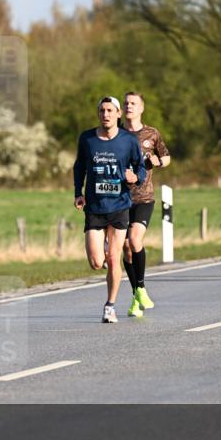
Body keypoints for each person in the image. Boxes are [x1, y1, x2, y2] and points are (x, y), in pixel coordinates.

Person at [73, 96, 146, 323]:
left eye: (110, 110)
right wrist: (78, 192)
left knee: (115, 258)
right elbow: (79, 167)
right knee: (96, 262)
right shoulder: (87, 138)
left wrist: (136, 177)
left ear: (118, 114)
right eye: (102, 111)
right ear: (99, 114)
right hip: (95, 207)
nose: (105, 114)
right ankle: (103, 250)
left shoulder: (128, 140)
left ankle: (110, 306)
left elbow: (140, 168)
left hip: (119, 206)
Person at [120, 92, 171, 317]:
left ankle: (140, 287)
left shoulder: (152, 133)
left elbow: (167, 157)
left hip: (144, 198)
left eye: (133, 103)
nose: (129, 106)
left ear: (141, 108)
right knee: (125, 249)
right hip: (119, 198)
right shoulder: (116, 134)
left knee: (134, 240)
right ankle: (136, 294)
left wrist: (157, 161)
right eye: (126, 103)